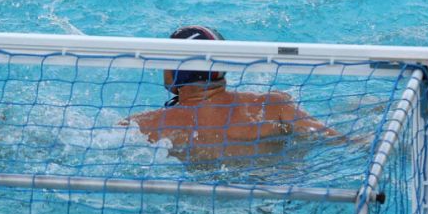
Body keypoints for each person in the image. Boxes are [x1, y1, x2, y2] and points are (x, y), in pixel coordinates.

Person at [130, 25, 341, 160]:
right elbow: (336, 141)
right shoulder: (273, 107)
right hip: (272, 190)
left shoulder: (146, 126)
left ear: (172, 71)